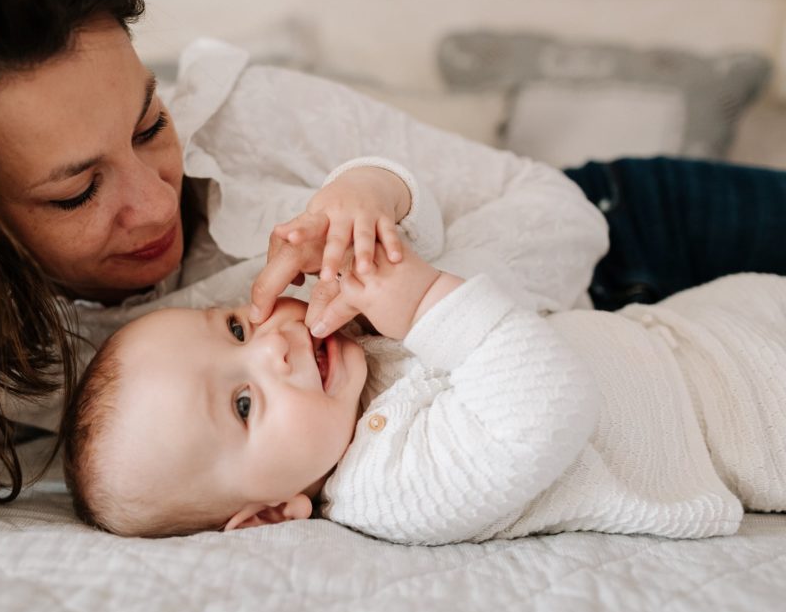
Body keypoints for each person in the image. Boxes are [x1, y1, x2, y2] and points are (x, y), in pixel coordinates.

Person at [0, 0, 781, 515]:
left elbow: (554, 214)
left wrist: (387, 237)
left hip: (636, 231)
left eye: (149, 124)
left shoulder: (247, 114)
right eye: (76, 194)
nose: (157, 202)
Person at [60, 205, 785, 542]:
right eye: (245, 404)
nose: (272, 347)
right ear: (276, 512)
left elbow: (502, 296)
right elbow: (547, 404)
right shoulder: (390, 486)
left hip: (703, 322)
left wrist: (367, 233)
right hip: (746, 416)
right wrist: (425, 299)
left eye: (236, 327)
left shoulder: (350, 360)